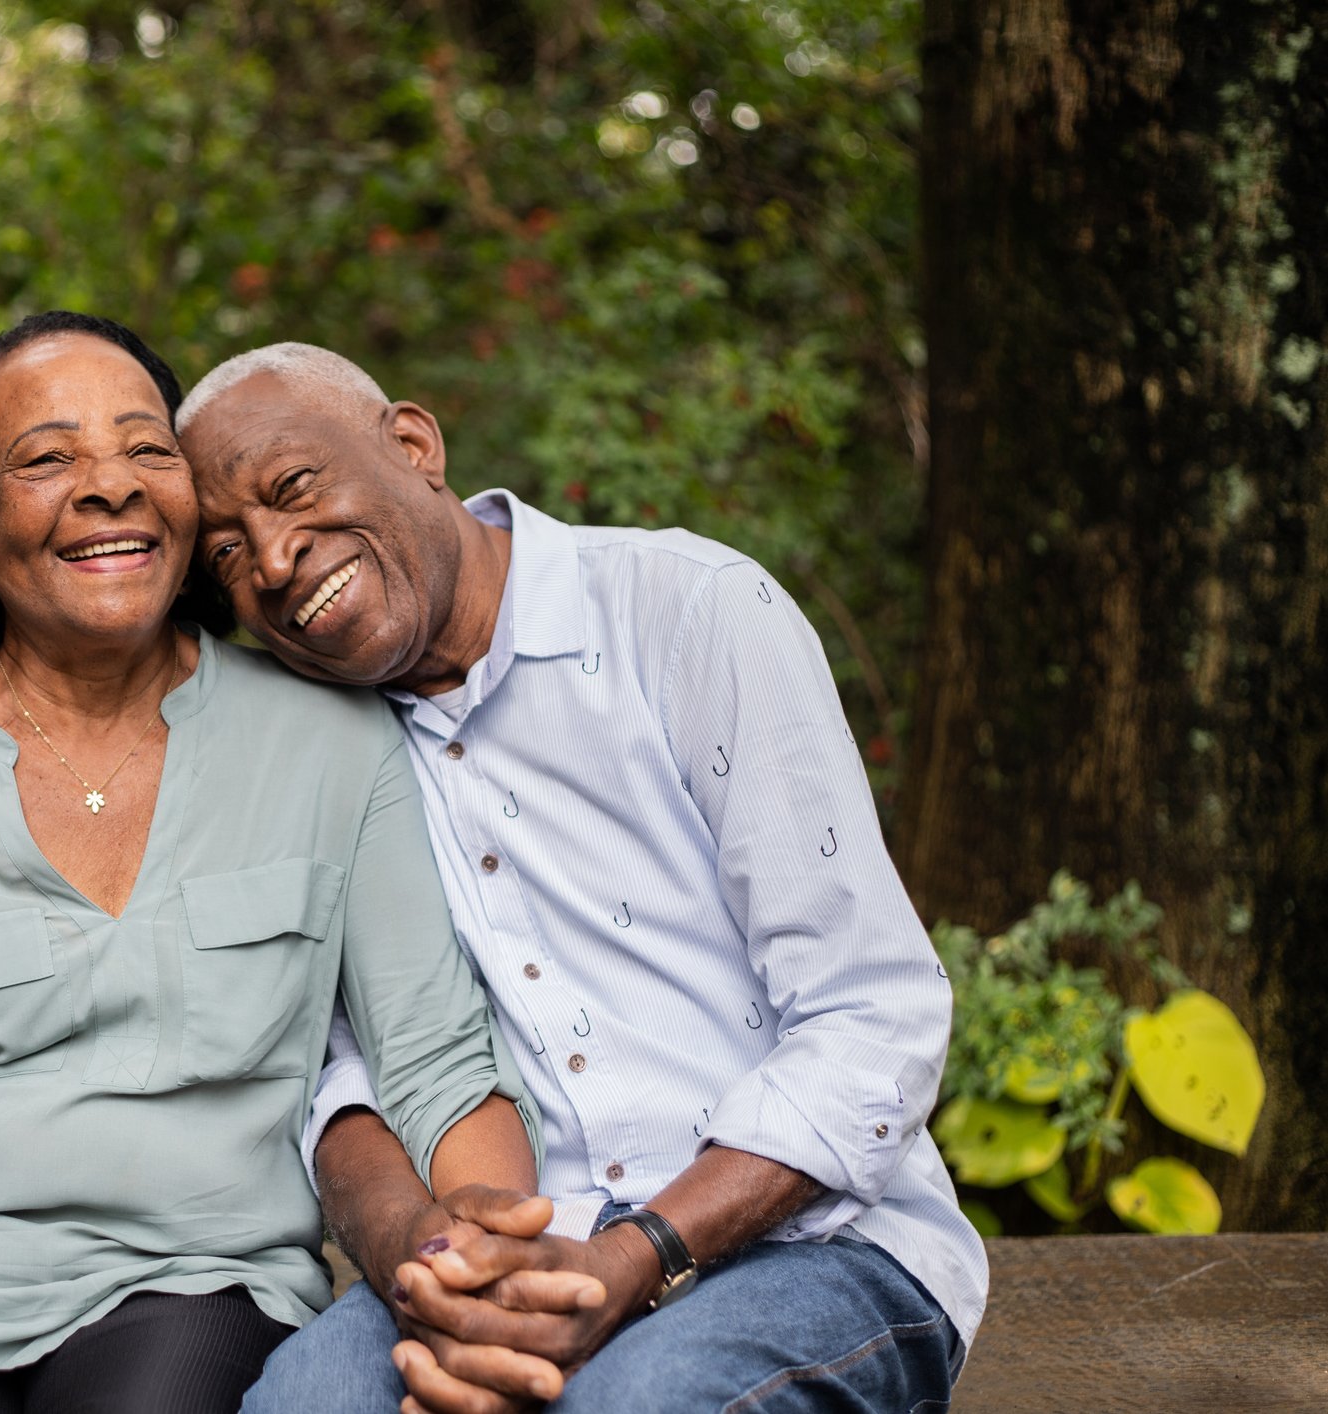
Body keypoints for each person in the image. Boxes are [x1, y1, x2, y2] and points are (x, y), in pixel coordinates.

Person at [0, 313, 543, 1414]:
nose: (109, 485)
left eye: (145, 448)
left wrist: (487, 1262)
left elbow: (436, 1063)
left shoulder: (330, 744)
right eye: (48, 457)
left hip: (196, 1282)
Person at [178, 343, 989, 1414]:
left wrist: (636, 1256)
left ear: (414, 445)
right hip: (518, 1247)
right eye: (229, 550)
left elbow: (873, 1020)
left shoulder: (686, 612)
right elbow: (344, 1081)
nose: (274, 561)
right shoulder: (321, 750)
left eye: (292, 489)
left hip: (817, 1246)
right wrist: (437, 1268)